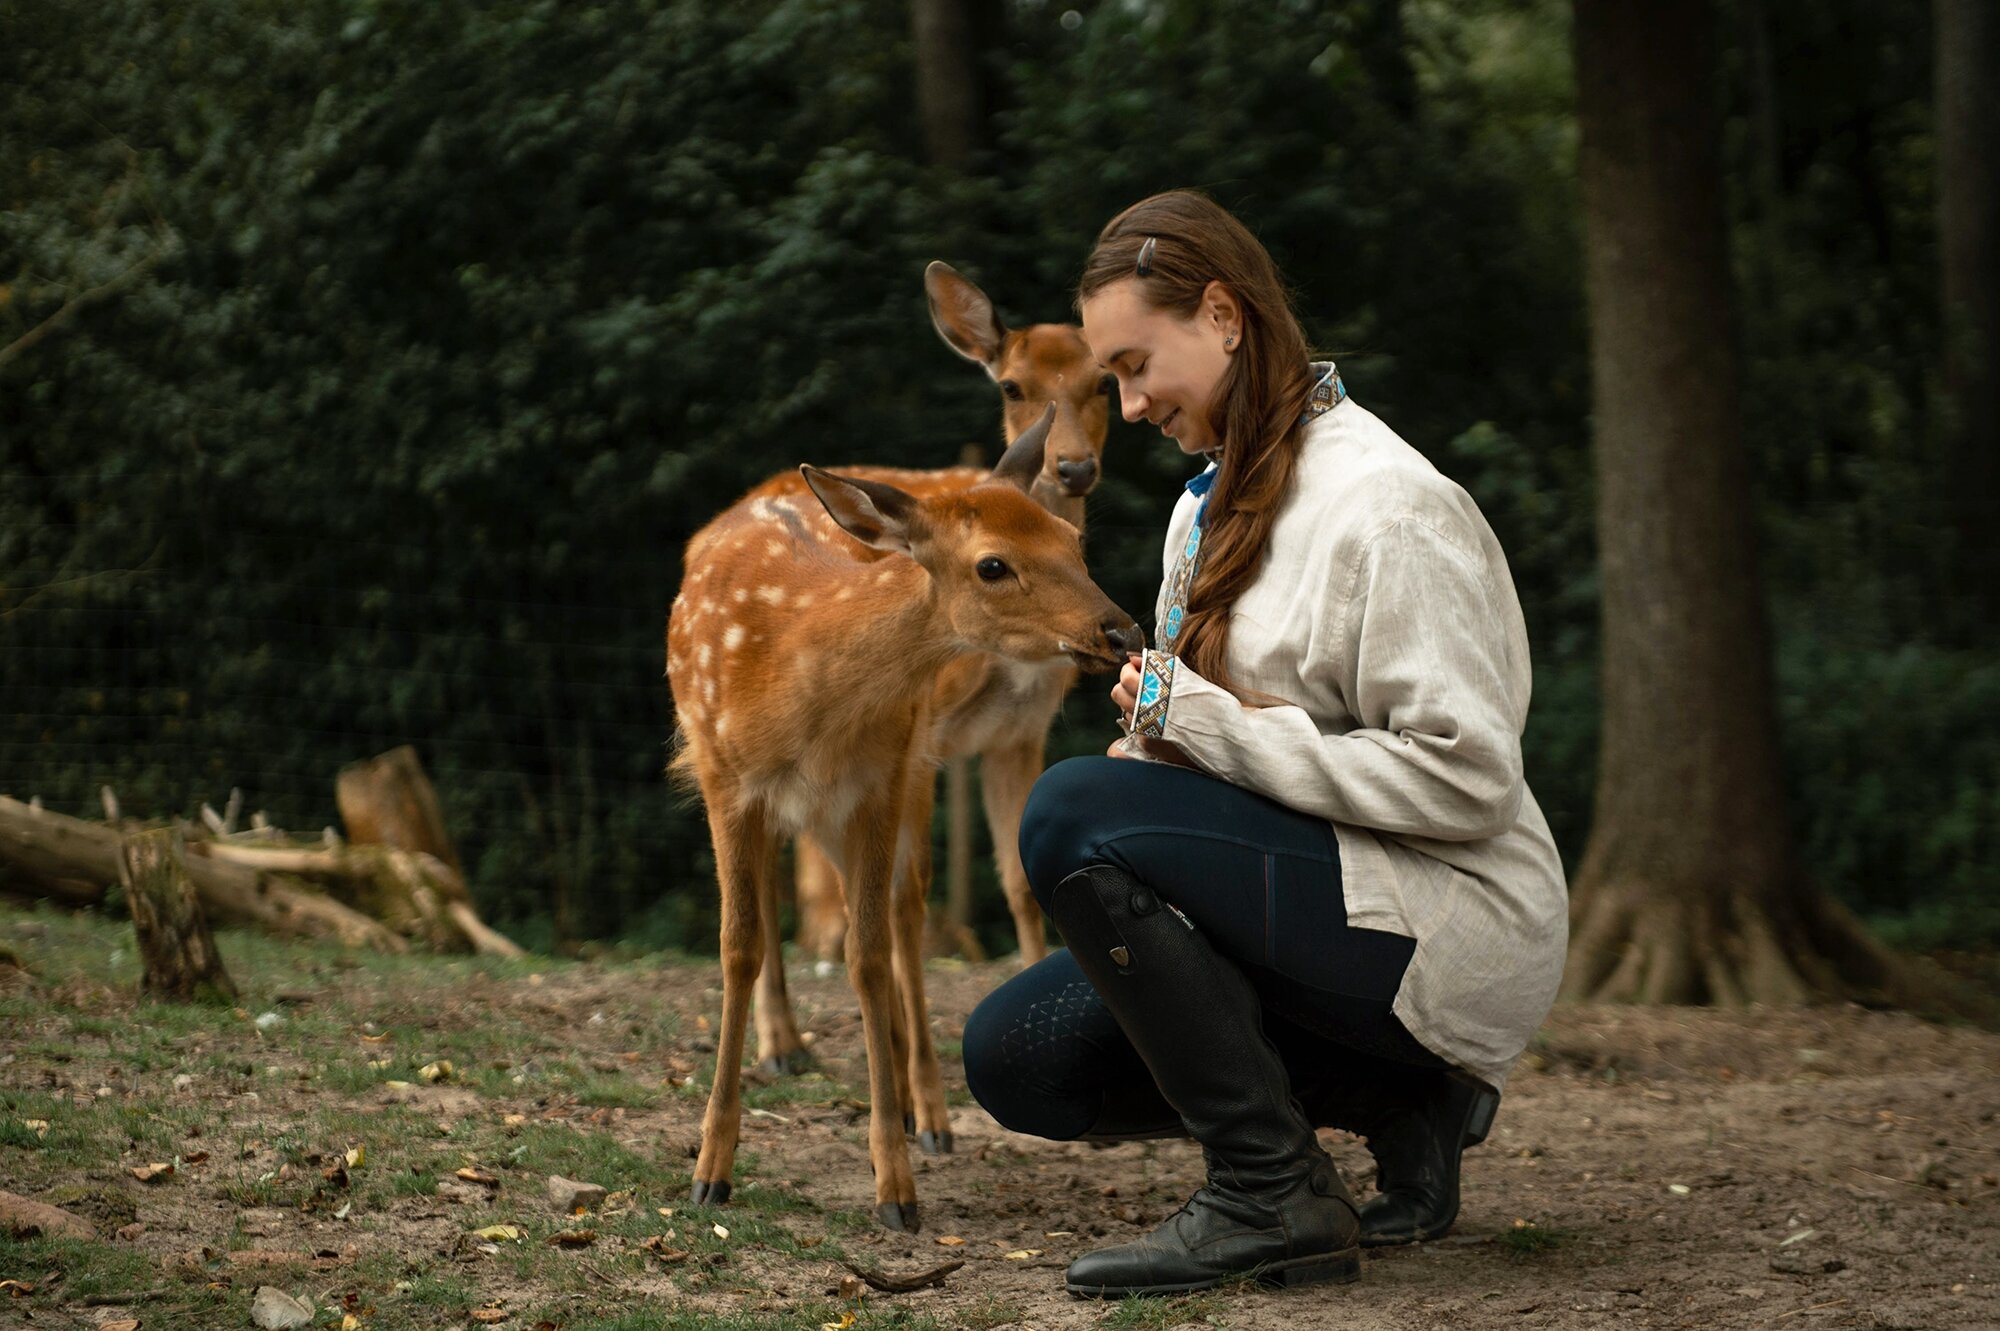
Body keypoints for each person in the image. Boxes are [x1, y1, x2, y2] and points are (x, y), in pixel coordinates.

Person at [960, 191, 1569, 1299]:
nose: (1130, 406)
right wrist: (1167, 751)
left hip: (1453, 918)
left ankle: (1268, 1187)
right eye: (1114, 381)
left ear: (1224, 316)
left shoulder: (1387, 506)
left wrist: (1200, 724)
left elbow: (1467, 777)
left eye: (1138, 368)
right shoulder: (1199, 511)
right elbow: (1221, 765)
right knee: (1019, 1056)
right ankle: (1402, 1103)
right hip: (1324, 905)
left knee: (1062, 807)